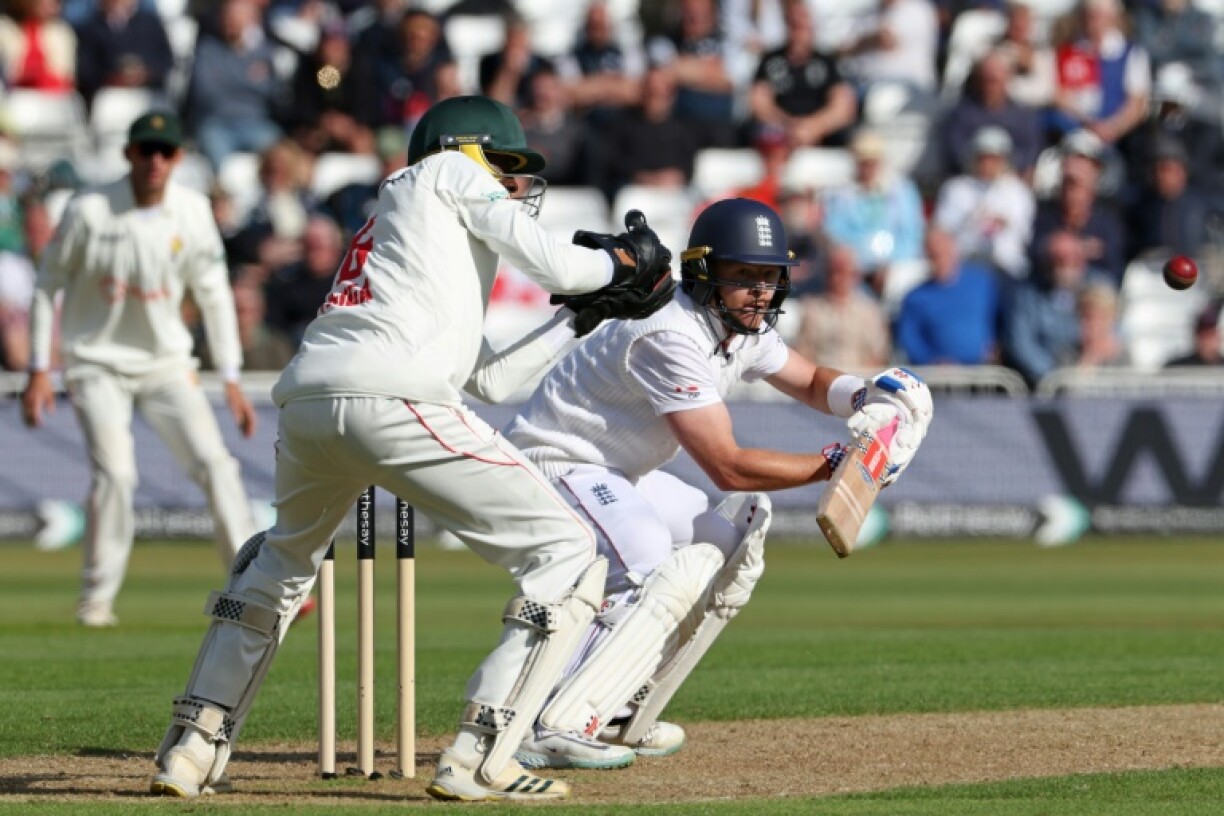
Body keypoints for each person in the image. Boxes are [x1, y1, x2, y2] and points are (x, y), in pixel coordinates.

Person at [147, 95, 676, 802]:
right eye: (508, 168)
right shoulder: (449, 173)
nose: (515, 187)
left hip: (311, 400)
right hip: (393, 395)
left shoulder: (408, 221)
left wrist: (583, 318)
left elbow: (488, 377)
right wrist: (618, 264)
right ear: (468, 150)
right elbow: (558, 267)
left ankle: (192, 747)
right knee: (569, 554)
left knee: (280, 561)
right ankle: (480, 755)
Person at [500, 197, 933, 771]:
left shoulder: (740, 325)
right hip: (555, 462)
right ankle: (545, 720)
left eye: (769, 276)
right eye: (743, 276)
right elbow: (727, 465)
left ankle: (615, 701)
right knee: (646, 556)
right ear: (704, 274)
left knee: (722, 534)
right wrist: (842, 460)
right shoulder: (670, 334)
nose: (759, 291)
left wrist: (868, 396)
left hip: (616, 470)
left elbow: (807, 380)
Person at [20, 110, 259, 628]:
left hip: (167, 362)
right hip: (96, 360)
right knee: (118, 474)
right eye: (145, 150)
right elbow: (46, 286)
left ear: (177, 158)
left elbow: (215, 296)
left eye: (165, 151)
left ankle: (250, 588)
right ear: (128, 153)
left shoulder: (193, 211)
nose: (155, 161)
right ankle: (96, 599)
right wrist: (41, 367)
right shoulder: (90, 210)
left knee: (216, 465)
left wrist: (233, 378)